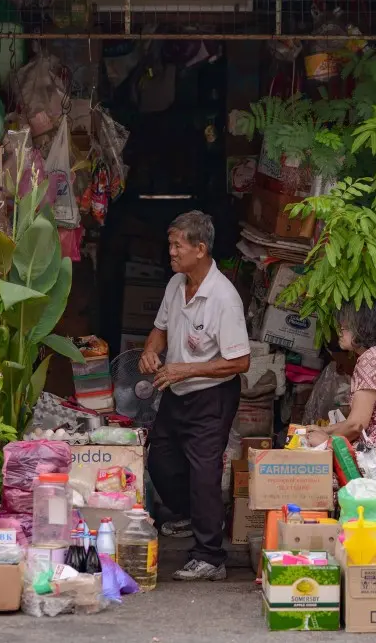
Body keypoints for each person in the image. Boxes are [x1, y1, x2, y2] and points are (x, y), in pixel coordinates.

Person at [140, 210, 251, 582]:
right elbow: (160, 329)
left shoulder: (224, 297)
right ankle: (190, 514)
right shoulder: (176, 285)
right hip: (176, 390)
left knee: (205, 471)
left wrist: (184, 369)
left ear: (200, 249)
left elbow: (240, 361)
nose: (170, 252)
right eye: (170, 244)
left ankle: (210, 556)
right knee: (161, 459)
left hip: (212, 395)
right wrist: (150, 351)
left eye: (177, 245)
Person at [307, 302, 376, 450]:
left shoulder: (371, 358)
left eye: (345, 328)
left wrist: (327, 441)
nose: (340, 332)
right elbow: (365, 418)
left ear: (362, 328)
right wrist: (324, 430)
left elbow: (357, 424)